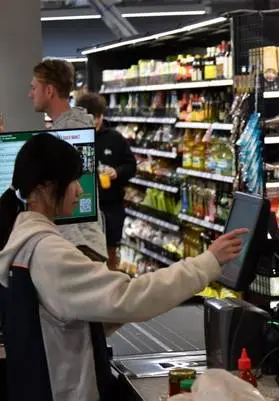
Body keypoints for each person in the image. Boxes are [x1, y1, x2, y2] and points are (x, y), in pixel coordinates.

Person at [0, 133, 246, 401]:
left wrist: (115, 307)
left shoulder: (21, 242)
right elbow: (129, 297)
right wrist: (208, 262)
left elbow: (65, 320)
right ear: (46, 187)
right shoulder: (47, 252)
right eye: (73, 181)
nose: (80, 191)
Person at [29, 58, 108, 261]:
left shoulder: (70, 132)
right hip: (78, 245)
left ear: (49, 91)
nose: (30, 94)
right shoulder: (66, 129)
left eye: (34, 88)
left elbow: (69, 193)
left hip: (79, 247)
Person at [76, 92, 136, 270]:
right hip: (83, 207)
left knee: (110, 252)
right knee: (85, 255)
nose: (94, 121)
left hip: (111, 208)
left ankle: (111, 281)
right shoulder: (75, 138)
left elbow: (131, 166)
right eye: (90, 117)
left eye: (97, 117)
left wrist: (117, 172)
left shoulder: (115, 139)